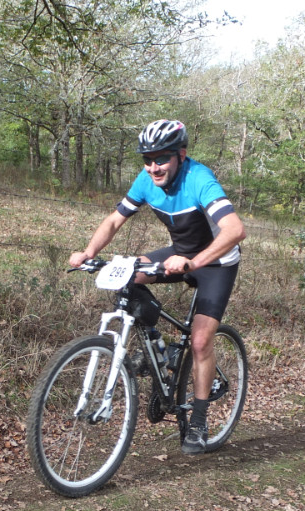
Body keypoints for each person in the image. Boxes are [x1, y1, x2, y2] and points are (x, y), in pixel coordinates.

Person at [69, 119, 246, 455]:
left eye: (162, 158)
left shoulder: (199, 179)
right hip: (180, 254)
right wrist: (88, 252)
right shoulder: (146, 180)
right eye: (148, 160)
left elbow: (235, 230)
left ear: (181, 155)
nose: (154, 167)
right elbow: (114, 220)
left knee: (200, 340)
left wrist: (193, 263)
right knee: (128, 275)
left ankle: (199, 422)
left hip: (217, 262)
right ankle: (158, 351)